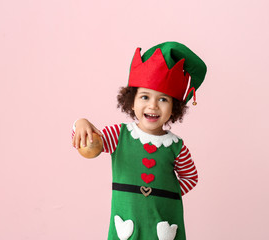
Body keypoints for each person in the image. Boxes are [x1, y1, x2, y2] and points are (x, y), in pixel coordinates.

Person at [72, 42, 207, 240]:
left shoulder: (176, 147)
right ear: (132, 102)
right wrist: (80, 123)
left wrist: (166, 194)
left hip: (163, 224)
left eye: (163, 99)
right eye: (145, 97)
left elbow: (190, 178)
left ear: (174, 108)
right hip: (126, 223)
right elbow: (89, 142)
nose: (153, 105)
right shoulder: (119, 135)